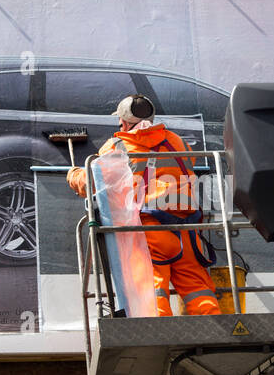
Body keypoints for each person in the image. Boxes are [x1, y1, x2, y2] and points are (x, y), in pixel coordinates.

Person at [67, 95, 222, 316]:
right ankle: (211, 333)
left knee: (153, 292)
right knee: (198, 289)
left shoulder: (117, 146)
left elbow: (94, 181)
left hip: (149, 231)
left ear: (124, 122)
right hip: (187, 232)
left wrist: (73, 174)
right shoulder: (177, 141)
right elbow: (187, 165)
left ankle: (159, 339)